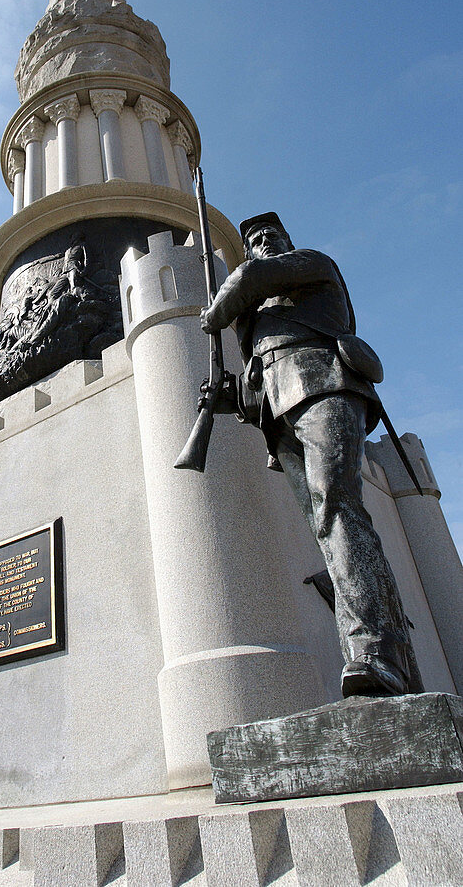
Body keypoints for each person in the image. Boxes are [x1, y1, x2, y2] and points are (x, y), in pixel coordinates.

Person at [201, 212, 423, 698]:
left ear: (286, 239)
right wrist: (229, 397)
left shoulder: (312, 267)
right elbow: (259, 380)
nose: (261, 242)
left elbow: (250, 277)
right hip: (280, 414)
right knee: (331, 527)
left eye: (269, 235)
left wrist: (212, 313)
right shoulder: (256, 318)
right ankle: (386, 660)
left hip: (324, 386)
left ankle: (375, 652)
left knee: (338, 509)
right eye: (253, 240)